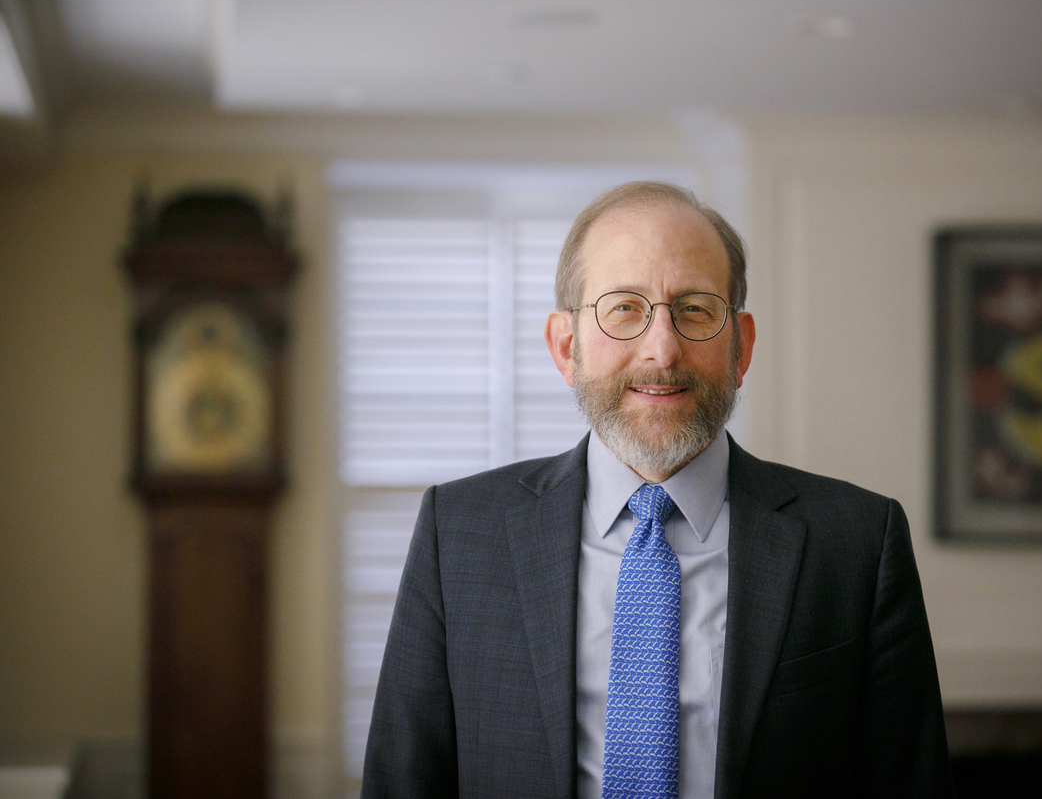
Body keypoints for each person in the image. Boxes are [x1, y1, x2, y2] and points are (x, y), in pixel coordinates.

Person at [361, 182, 953, 798]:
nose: (662, 349)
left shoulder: (856, 540)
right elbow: (401, 781)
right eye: (624, 308)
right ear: (567, 347)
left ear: (741, 346)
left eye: (695, 309)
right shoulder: (456, 532)